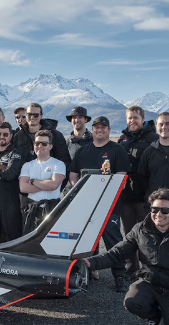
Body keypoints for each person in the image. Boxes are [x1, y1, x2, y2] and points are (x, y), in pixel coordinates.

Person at [84, 188, 169, 325]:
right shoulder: (140, 229)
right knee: (132, 302)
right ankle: (154, 316)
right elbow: (117, 254)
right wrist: (91, 262)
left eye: (165, 210)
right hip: (150, 283)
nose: (159, 214)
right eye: (154, 209)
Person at [69, 116, 130, 292]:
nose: (99, 130)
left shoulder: (117, 150)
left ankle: (120, 277)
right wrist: (78, 189)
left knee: (114, 242)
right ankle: (86, 273)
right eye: (96, 127)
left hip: (109, 206)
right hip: (86, 205)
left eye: (103, 127)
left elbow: (121, 177)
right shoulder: (83, 150)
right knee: (85, 242)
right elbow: (73, 174)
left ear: (109, 130)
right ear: (93, 129)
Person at [117, 105, 159, 276]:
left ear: (143, 119)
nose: (132, 121)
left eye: (135, 118)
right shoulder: (122, 139)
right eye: (129, 118)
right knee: (129, 234)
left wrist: (152, 195)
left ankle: (148, 269)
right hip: (126, 196)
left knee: (147, 234)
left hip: (144, 197)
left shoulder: (153, 139)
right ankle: (132, 267)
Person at [19, 130, 65, 235]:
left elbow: (54, 185)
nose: (40, 146)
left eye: (44, 143)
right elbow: (23, 187)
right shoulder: (27, 165)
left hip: (52, 209)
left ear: (50, 146)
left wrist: (33, 181)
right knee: (30, 243)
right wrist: (46, 183)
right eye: (37, 143)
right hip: (32, 210)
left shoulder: (58, 164)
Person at [138, 112, 169, 202]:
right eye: (161, 124)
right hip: (155, 206)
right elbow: (142, 179)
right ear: (156, 127)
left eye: (167, 123)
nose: (164, 127)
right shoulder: (149, 152)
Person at [13, 103, 71, 168]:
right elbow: (15, 160)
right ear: (26, 115)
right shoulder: (19, 136)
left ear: (41, 116)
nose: (32, 117)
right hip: (24, 175)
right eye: (29, 115)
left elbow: (64, 161)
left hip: (48, 175)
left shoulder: (54, 135)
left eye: (36, 115)